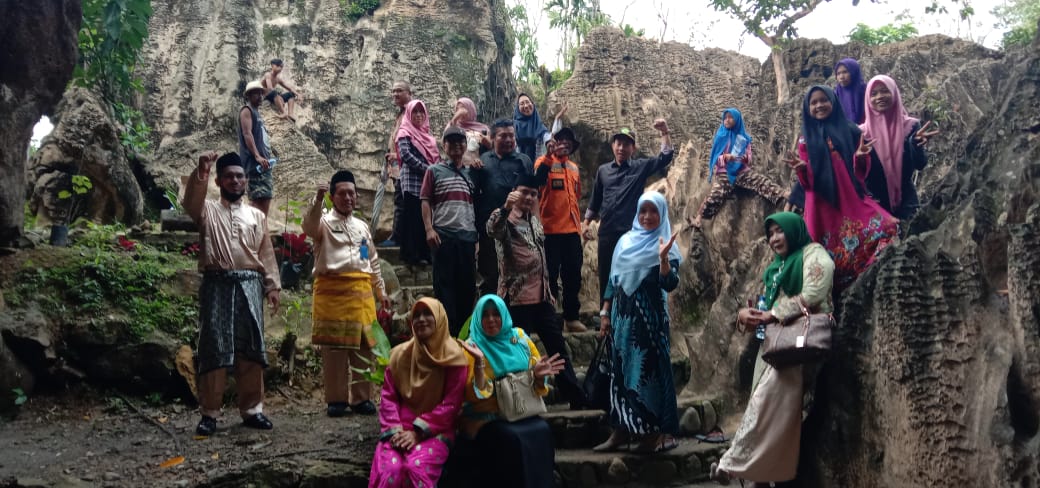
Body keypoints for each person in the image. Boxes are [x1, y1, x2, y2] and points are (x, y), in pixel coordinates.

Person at [710, 212, 835, 486]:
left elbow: (815, 290)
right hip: (775, 345)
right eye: (770, 234)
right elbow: (764, 306)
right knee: (763, 406)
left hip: (799, 346)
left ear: (794, 229)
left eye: (780, 231)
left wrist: (773, 313)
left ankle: (733, 465)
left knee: (767, 405)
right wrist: (748, 314)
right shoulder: (776, 267)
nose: (775, 238)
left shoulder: (812, 252)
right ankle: (759, 475)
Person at [182, 151, 281, 436]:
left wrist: (272, 286)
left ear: (246, 180)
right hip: (217, 285)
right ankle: (210, 414)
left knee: (251, 347)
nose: (235, 181)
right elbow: (190, 203)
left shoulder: (256, 216)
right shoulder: (207, 210)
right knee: (214, 346)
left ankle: (252, 410)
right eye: (229, 176)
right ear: (219, 180)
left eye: (239, 176)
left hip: (250, 284)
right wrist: (200, 173)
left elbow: (266, 253)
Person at [486, 173, 588, 408]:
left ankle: (576, 398)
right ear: (514, 193)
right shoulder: (504, 219)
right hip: (516, 299)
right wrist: (505, 207)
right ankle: (519, 402)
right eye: (525, 192)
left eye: (534, 194)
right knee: (518, 354)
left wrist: (550, 292)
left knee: (558, 349)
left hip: (542, 298)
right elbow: (492, 229)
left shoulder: (534, 221)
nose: (530, 197)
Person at [783, 85, 899, 291]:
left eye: (823, 100)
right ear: (807, 107)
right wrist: (803, 170)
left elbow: (860, 172)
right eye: (814, 102)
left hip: (849, 195)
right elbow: (807, 182)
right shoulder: (805, 137)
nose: (819, 105)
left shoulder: (850, 129)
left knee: (888, 228)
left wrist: (860, 158)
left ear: (833, 101)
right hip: (820, 203)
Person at [444, 295, 565, 488]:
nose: (491, 319)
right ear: (478, 319)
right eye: (485, 315)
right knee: (511, 439)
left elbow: (536, 382)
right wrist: (479, 366)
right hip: (486, 417)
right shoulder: (470, 348)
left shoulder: (520, 339)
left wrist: (539, 377)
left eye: (496, 314)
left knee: (542, 430)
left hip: (521, 412)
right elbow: (470, 395)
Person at [594, 191, 682, 454]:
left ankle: (650, 434)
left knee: (648, 375)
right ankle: (619, 431)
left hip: (651, 324)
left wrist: (664, 259)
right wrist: (605, 314)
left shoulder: (666, 244)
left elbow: (670, 283)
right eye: (642, 211)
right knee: (620, 373)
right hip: (623, 320)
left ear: (661, 213)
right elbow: (613, 279)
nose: (647, 217)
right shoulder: (624, 242)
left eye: (653, 211)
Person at [303, 170, 392, 417]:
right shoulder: (322, 223)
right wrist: (317, 199)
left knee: (364, 346)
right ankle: (336, 400)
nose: (348, 198)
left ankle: (362, 398)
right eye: (342, 193)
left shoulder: (362, 227)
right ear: (333, 197)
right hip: (332, 292)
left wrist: (380, 290)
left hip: (361, 293)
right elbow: (308, 226)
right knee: (334, 350)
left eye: (352, 193)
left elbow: (370, 260)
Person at [369, 298, 468, 488]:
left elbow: (451, 404)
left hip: (435, 430)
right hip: (398, 431)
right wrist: (396, 431)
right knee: (391, 470)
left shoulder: (453, 357)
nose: (421, 319)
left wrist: (418, 432)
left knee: (417, 467)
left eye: (427, 314)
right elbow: (388, 397)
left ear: (439, 318)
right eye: (416, 316)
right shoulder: (400, 355)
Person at [583, 119, 673, 301]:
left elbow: (665, 157)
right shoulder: (603, 171)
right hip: (607, 231)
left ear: (633, 148)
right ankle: (605, 317)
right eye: (619, 143)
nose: (621, 148)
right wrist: (586, 223)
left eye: (626, 144)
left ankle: (626, 315)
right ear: (613, 146)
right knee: (606, 273)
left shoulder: (640, 167)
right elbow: (596, 199)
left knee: (628, 273)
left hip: (630, 234)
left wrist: (664, 132)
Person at [421, 126, 478, 335]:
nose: (456, 145)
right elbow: (425, 200)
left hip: (467, 237)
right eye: (451, 142)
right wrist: (429, 229)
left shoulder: (473, 172)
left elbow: (476, 204)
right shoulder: (433, 171)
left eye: (460, 142)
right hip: (443, 236)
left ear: (465, 145)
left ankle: (464, 337)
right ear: (444, 146)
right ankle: (447, 336)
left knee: (467, 288)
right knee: (444, 288)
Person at [860, 75, 940, 220]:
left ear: (894, 93)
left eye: (885, 91)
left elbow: (920, 164)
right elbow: (858, 175)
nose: (879, 97)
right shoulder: (861, 134)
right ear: (867, 98)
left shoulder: (911, 126)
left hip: (907, 200)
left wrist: (914, 145)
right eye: (874, 93)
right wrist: (858, 159)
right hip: (876, 205)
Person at [691, 108, 788, 228]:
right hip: (724, 173)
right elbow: (715, 159)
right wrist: (725, 158)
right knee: (715, 195)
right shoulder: (720, 137)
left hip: (740, 171)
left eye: (730, 117)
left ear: (737, 119)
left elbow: (748, 159)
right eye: (725, 118)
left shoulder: (743, 138)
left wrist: (736, 159)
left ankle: (782, 194)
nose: (727, 120)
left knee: (759, 180)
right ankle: (699, 217)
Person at [472, 119, 534, 297]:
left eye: (511, 136)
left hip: (518, 229)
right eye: (503, 136)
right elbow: (475, 195)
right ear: (492, 138)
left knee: (519, 275)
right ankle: (490, 320)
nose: (508, 140)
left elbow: (533, 194)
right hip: (490, 230)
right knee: (490, 275)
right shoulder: (483, 162)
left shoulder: (524, 161)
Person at [533, 127, 586, 333]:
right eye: (561, 140)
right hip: (550, 231)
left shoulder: (574, 167)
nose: (565, 143)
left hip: (572, 231)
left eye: (568, 141)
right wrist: (548, 155)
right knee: (550, 276)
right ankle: (550, 318)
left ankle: (571, 317)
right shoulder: (543, 162)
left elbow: (577, 195)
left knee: (573, 275)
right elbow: (537, 180)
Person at [395, 99, 437, 266]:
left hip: (426, 182)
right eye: (415, 112)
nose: (419, 115)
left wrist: (433, 170)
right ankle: (411, 255)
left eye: (421, 112)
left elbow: (436, 158)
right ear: (409, 115)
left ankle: (424, 254)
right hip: (412, 180)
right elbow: (405, 155)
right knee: (412, 216)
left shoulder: (428, 136)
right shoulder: (404, 132)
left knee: (424, 218)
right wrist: (427, 168)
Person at [382, 81, 413, 247]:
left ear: (409, 93)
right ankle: (399, 237)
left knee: (402, 201)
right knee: (400, 200)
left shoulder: (411, 112)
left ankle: (398, 238)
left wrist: (398, 154)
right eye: (393, 91)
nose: (395, 94)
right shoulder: (401, 113)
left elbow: (416, 139)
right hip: (396, 164)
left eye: (399, 91)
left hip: (405, 165)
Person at [239, 80, 275, 215]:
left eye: (261, 93)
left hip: (263, 163)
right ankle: (254, 233)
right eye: (256, 94)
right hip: (256, 165)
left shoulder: (256, 113)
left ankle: (259, 233)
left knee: (264, 201)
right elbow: (247, 134)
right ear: (248, 95)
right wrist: (257, 156)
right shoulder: (246, 111)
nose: (260, 96)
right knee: (258, 202)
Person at [447, 97, 491, 167]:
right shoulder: (453, 125)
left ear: (471, 109)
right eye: (457, 109)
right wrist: (455, 119)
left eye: (463, 108)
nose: (460, 112)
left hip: (480, 167)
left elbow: (493, 148)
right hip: (459, 168)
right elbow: (445, 141)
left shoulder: (483, 128)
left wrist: (486, 142)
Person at [513, 93, 550, 162]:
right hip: (518, 168)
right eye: (522, 104)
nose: (526, 106)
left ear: (532, 104)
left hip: (538, 168)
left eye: (527, 102)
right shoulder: (512, 128)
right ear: (517, 108)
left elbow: (548, 138)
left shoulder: (539, 127)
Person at [834, 58, 867, 124]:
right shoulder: (836, 94)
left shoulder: (866, 91)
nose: (841, 77)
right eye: (838, 73)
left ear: (854, 72)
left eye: (845, 72)